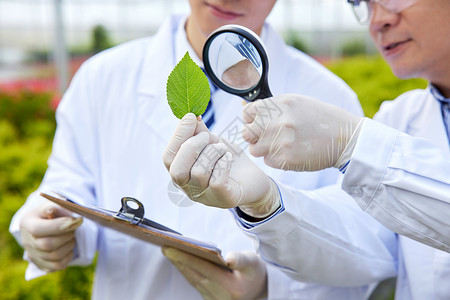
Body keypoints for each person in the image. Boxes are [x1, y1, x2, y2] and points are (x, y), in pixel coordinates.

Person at [9, 0, 376, 299]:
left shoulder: (330, 99)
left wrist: (269, 289)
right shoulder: (102, 78)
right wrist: (48, 228)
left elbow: (361, 252)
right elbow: (68, 183)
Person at [162, 0, 450, 299]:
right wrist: (268, 204)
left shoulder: (348, 108)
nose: (377, 21)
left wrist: (353, 145)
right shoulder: (400, 118)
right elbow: (365, 245)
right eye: (362, 3)